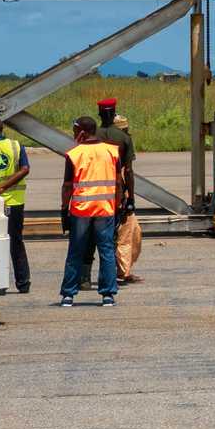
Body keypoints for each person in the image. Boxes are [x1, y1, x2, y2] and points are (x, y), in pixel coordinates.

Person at [59, 116, 121, 308]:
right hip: (105, 209)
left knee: (75, 251)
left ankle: (68, 294)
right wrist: (117, 206)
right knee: (107, 251)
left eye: (75, 130)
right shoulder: (112, 151)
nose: (73, 134)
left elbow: (67, 186)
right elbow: (118, 182)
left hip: (81, 211)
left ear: (82, 132)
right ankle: (108, 295)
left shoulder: (74, 154)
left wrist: (64, 208)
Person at [82, 97, 136, 289]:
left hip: (88, 192)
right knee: (109, 238)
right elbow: (128, 171)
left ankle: (84, 278)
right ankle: (107, 278)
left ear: (99, 114)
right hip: (114, 194)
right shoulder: (123, 138)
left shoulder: (89, 136)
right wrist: (131, 198)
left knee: (87, 237)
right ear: (114, 114)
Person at [0, 117, 31, 294]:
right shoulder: (16, 145)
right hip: (17, 201)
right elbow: (25, 169)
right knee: (16, 242)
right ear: (2, 130)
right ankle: (23, 283)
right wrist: (6, 186)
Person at [111, 115, 144, 285]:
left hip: (116, 192)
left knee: (134, 231)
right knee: (125, 234)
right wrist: (130, 198)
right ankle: (122, 273)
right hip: (118, 193)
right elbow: (128, 172)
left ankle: (125, 269)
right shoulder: (123, 142)